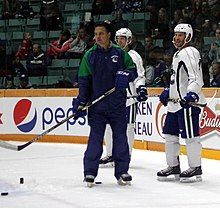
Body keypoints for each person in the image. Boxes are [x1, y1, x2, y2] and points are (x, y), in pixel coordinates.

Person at [72, 21, 138, 187]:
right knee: (95, 140)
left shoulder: (120, 53)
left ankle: (122, 171)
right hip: (97, 106)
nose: (98, 37)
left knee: (121, 139)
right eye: (96, 34)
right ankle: (89, 172)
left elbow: (133, 70)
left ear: (109, 35)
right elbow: (84, 80)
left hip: (117, 105)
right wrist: (81, 100)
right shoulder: (90, 55)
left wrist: (126, 74)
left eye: (101, 33)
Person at [157, 23, 206, 183]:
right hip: (175, 104)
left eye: (181, 35)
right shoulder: (178, 54)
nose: (177, 37)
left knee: (191, 136)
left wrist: (191, 93)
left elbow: (196, 78)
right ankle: (173, 165)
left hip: (187, 104)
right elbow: (175, 79)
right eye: (176, 34)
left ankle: (195, 166)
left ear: (188, 37)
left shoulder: (189, 51)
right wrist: (167, 91)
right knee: (170, 135)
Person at [99, 28, 147, 166]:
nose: (119, 41)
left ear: (129, 40)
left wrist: (141, 88)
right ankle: (110, 154)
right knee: (108, 125)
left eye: (122, 38)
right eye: (118, 38)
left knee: (128, 127)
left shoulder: (134, 56)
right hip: (113, 98)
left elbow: (139, 76)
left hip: (129, 98)